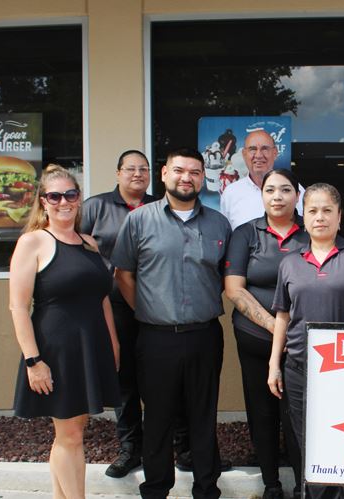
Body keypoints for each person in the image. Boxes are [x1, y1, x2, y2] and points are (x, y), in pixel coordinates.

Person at [111, 147, 231, 499]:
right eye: (179, 170)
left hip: (204, 335)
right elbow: (123, 275)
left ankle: (207, 489)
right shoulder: (139, 221)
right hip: (156, 338)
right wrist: (147, 309)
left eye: (194, 172)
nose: (186, 178)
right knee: (158, 418)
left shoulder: (219, 224)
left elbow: (224, 277)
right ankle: (155, 489)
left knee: (203, 417)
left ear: (202, 178)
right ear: (164, 174)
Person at [268, 183, 344, 499]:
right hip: (300, 368)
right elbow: (283, 316)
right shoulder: (290, 262)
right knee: (312, 445)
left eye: (327, 210)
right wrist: (274, 364)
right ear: (303, 217)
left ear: (339, 216)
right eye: (312, 211)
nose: (319, 217)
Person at [10, 164, 120, 499]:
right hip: (56, 352)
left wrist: (113, 344)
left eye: (70, 194)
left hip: (91, 347)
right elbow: (18, 307)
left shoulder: (89, 243)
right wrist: (33, 361)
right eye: (55, 196)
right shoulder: (33, 242)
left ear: (79, 198)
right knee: (70, 435)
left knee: (72, 431)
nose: (63, 202)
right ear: (43, 201)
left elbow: (102, 299)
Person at [224, 169, 308, 499]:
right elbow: (234, 289)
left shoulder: (310, 231)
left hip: (300, 346)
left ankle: (303, 484)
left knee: (299, 415)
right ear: (261, 196)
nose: (277, 196)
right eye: (270, 190)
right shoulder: (246, 234)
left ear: (297, 196)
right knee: (262, 412)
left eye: (285, 190)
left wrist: (288, 335)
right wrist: (276, 328)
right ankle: (271, 483)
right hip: (256, 340)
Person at [81, 149, 156, 478]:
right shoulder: (96, 207)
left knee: (162, 378)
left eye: (143, 168)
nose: (137, 174)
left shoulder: (160, 206)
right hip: (114, 307)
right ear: (118, 173)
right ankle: (130, 449)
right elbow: (73, 245)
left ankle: (175, 447)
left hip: (157, 306)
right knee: (125, 381)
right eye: (130, 169)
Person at [220, 130, 303, 229]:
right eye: (252, 149)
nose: (258, 155)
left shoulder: (295, 190)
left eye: (265, 149)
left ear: (275, 152)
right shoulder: (231, 193)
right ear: (244, 154)